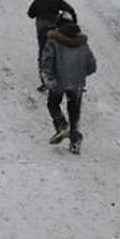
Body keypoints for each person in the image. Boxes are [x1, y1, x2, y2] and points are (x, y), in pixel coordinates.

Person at [39, 20, 96, 154]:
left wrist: (48, 76)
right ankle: (75, 140)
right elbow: (92, 66)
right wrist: (80, 74)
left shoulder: (53, 40)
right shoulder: (83, 43)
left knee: (53, 104)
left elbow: (47, 60)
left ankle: (61, 125)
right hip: (77, 83)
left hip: (58, 81)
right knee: (74, 112)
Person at [27, 0, 77, 91]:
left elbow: (30, 14)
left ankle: (45, 81)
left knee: (43, 53)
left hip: (41, 30)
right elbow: (71, 10)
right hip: (54, 29)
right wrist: (73, 24)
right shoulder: (57, 1)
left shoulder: (38, 0)